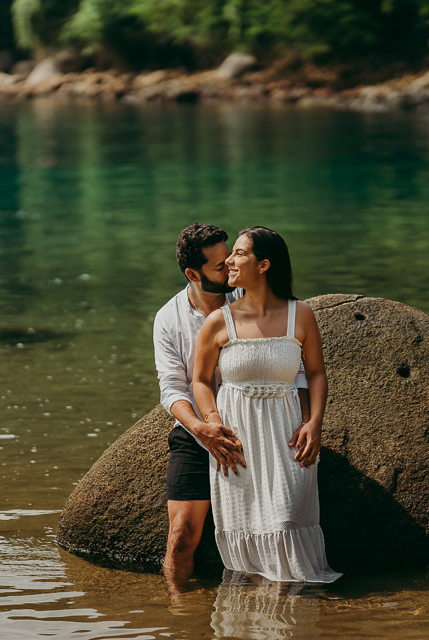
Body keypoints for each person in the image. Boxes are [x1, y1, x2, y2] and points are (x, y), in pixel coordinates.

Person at [153, 223, 310, 593]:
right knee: (180, 537)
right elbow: (172, 388)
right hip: (199, 431)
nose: (230, 269)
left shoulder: (252, 292)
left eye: (232, 259)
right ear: (193, 274)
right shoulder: (169, 318)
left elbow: (296, 364)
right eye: (219, 266)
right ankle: (179, 615)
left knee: (274, 527)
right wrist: (203, 428)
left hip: (262, 424)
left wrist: (306, 421)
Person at [193, 226, 341, 583]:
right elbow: (199, 381)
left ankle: (295, 612)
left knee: (288, 517)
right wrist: (213, 423)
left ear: (263, 265)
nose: (228, 260)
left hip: (288, 433)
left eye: (239, 253)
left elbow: (317, 374)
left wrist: (314, 423)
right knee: (246, 526)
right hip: (237, 440)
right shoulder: (219, 321)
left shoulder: (300, 314)